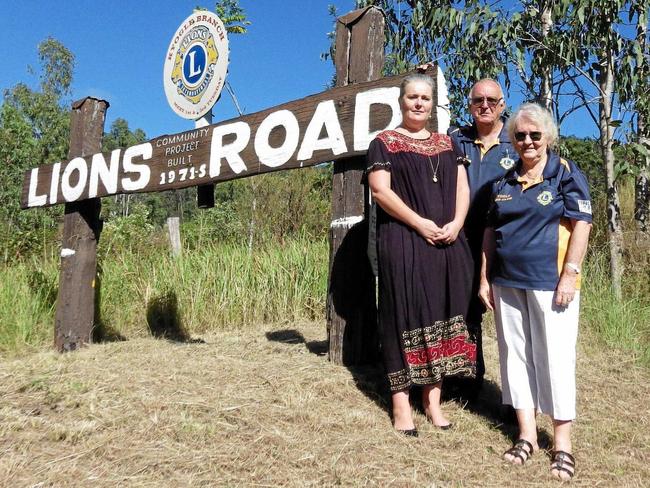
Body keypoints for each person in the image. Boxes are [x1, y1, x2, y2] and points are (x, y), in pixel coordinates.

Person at [479, 103, 592, 481]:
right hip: (507, 282)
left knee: (555, 358)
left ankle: (562, 444)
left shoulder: (565, 173)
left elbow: (581, 225)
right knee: (515, 356)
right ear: (512, 140)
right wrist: (484, 278)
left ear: (548, 137)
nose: (527, 141)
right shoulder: (504, 181)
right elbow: (488, 233)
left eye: (535, 135)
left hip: (550, 282)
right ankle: (526, 434)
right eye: (520, 135)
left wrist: (570, 274)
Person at [366, 73, 476, 436]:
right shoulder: (384, 142)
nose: (418, 103)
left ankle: (433, 402)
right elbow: (381, 192)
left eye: (425, 98)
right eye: (412, 96)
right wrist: (420, 224)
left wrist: (458, 223)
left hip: (448, 242)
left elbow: (462, 187)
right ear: (401, 101)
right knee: (403, 314)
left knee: (443, 312)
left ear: (433, 103)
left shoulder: (448, 143)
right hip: (404, 240)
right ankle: (401, 405)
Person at [448, 79, 515, 397]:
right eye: (478, 100)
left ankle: (515, 397)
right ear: (470, 104)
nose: (484, 105)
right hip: (460, 240)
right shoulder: (454, 139)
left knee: (510, 319)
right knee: (464, 311)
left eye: (491, 100)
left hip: (504, 245)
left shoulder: (518, 141)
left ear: (503, 104)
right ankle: (467, 382)